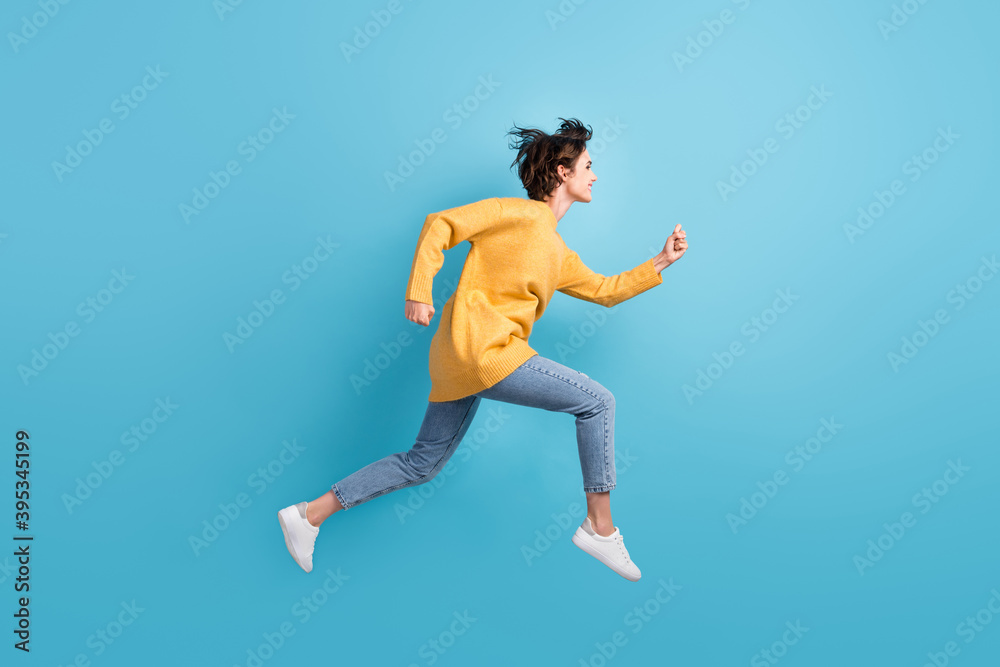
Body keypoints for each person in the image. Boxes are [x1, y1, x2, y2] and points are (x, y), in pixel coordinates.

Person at [278, 118, 688, 581]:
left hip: (460, 360)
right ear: (561, 172)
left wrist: (661, 261)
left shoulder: (557, 251)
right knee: (597, 402)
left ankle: (308, 515)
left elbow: (604, 289)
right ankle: (599, 526)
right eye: (588, 166)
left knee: (422, 463)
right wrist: (419, 289)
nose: (594, 176)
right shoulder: (515, 214)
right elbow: (442, 224)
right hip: (484, 351)